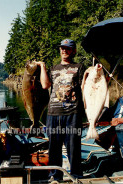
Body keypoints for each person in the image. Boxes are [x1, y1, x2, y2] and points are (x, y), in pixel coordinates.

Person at [35, 39, 85, 180]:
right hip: (53, 113)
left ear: (73, 51)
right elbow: (45, 85)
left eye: (68, 48)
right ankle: (55, 176)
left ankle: (76, 176)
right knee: (54, 148)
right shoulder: (53, 68)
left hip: (73, 113)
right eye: (62, 48)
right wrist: (43, 67)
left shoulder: (79, 67)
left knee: (74, 147)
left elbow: (85, 85)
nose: (64, 50)